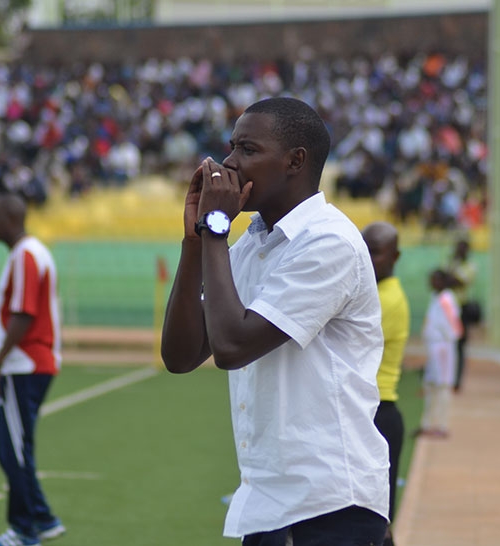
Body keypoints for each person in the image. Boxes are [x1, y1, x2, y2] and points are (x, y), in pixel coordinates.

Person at [161, 97, 389, 546]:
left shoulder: (328, 241)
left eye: (247, 149)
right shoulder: (253, 245)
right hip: (269, 501)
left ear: (294, 161)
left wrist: (217, 225)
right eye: (231, 148)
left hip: (331, 503)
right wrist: (195, 240)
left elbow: (231, 347)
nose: (228, 163)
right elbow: (181, 355)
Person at [0, 194, 65, 546]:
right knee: (8, 445)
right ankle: (42, 519)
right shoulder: (30, 253)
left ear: (9, 219)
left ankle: (25, 529)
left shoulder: (25, 256)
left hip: (24, 364)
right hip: (29, 363)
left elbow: (23, 314)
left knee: (13, 449)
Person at [362, 221, 410, 546]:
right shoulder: (374, 294)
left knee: (374, 524)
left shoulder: (387, 300)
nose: (367, 258)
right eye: (363, 250)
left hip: (379, 413)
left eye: (375, 252)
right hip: (370, 410)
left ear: (396, 256)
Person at [417, 269, 463, 438]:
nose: (432, 283)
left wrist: (444, 344)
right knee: (430, 384)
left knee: (443, 385)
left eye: (435, 280)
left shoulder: (447, 300)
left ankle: (442, 426)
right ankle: (427, 423)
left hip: (442, 347)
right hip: (433, 347)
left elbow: (454, 327)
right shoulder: (436, 298)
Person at [446, 238, 477, 393]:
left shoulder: (470, 266)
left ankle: (457, 380)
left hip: (461, 309)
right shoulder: (452, 263)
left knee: (460, 345)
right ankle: (447, 377)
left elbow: (457, 281)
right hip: (448, 308)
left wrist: (449, 276)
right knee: (446, 343)